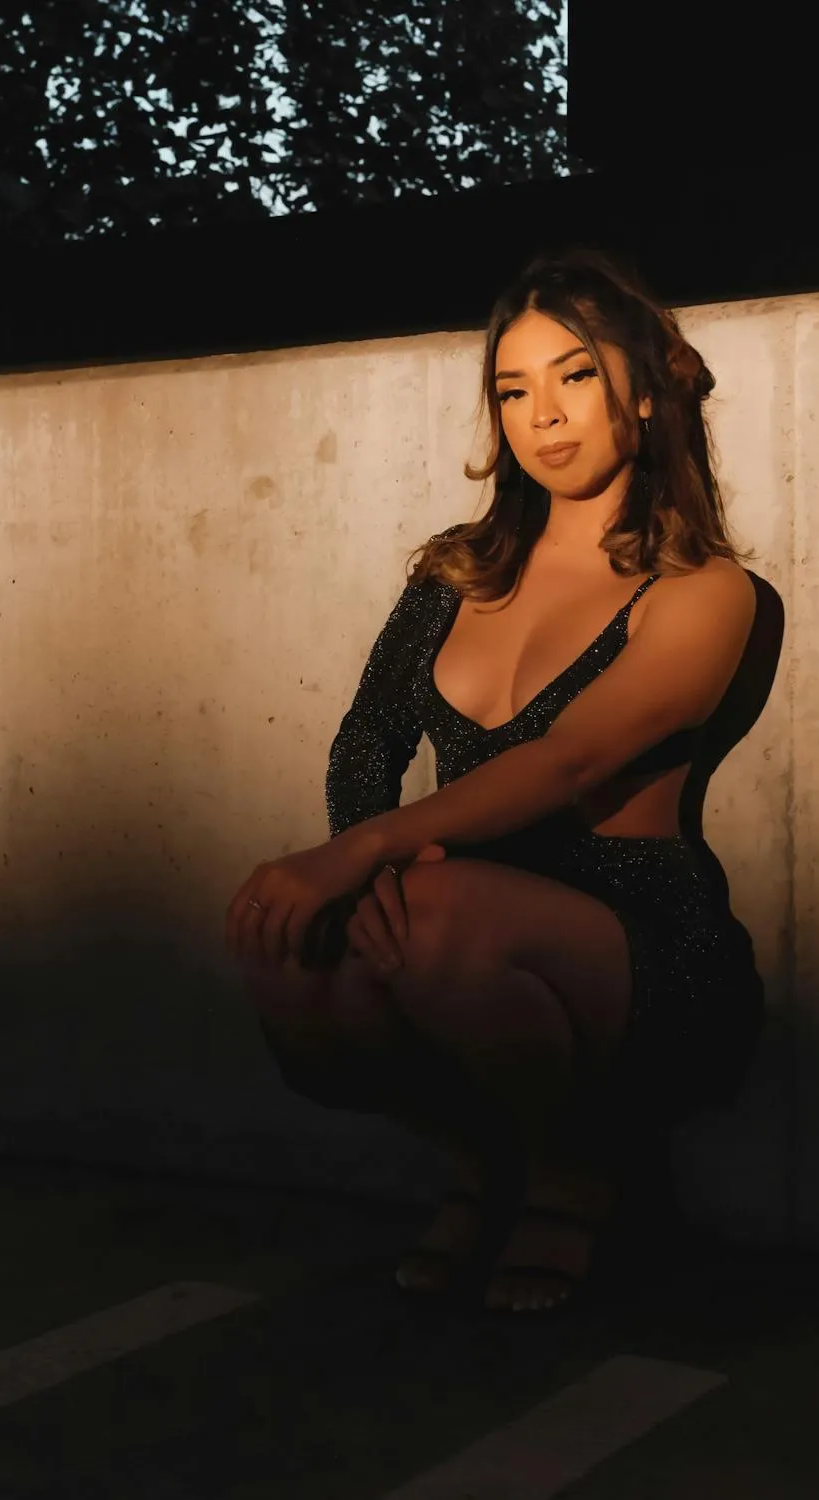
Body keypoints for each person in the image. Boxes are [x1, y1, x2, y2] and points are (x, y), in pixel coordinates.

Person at [228, 244, 767, 1315]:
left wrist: (368, 851)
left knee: (429, 916)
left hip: (641, 938)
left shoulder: (702, 589)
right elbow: (369, 737)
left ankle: (577, 1171)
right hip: (454, 905)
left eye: (575, 374)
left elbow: (571, 758)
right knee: (284, 936)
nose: (543, 414)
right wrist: (364, 872)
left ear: (645, 392)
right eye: (513, 390)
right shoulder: (458, 568)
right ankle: (477, 1157)